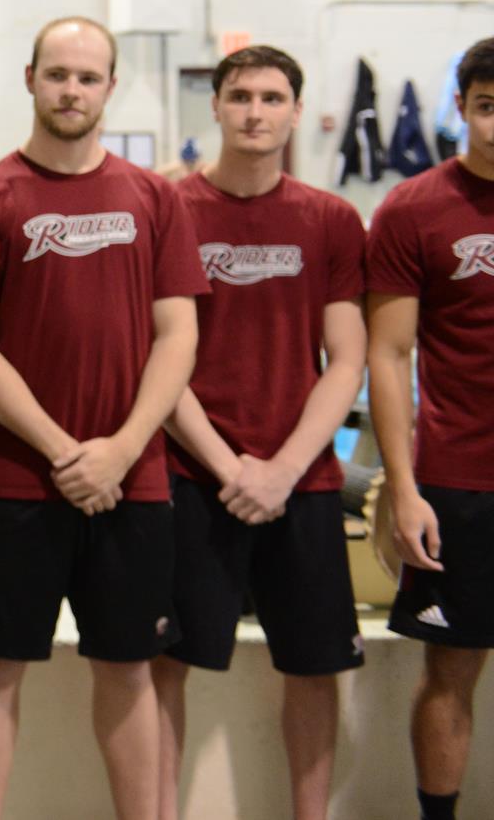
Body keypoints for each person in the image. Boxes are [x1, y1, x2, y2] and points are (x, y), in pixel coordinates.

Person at [0, 17, 206, 820]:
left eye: (88, 77)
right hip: (13, 480)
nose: (72, 89)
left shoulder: (154, 196)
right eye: (58, 74)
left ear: (111, 86)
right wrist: (64, 452)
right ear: (29, 78)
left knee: (130, 668)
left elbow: (179, 334)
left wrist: (120, 450)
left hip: (135, 482)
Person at [154, 46, 367, 820]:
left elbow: (346, 360)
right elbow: (160, 362)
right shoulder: (168, 208)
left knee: (314, 669)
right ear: (213, 106)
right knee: (165, 665)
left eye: (272, 98)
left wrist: (280, 469)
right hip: (188, 474)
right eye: (240, 95)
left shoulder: (332, 220)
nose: (255, 111)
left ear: (296, 112)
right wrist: (226, 465)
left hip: (300, 480)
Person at [368, 36, 494, 820]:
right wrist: (402, 486)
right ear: (463, 107)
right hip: (459, 481)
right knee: (452, 670)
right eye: (487, 105)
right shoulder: (414, 207)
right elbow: (387, 351)